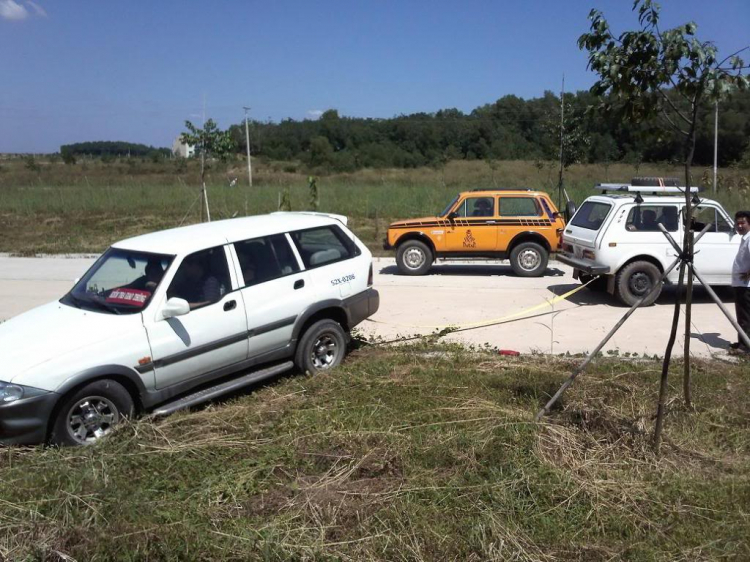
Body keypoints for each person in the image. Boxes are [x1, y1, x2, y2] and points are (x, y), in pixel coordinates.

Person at [730, 210, 750, 354]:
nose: (739, 226)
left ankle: (745, 347)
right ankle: (742, 341)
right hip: (740, 284)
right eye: (737, 223)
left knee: (745, 316)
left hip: (746, 286)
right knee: (742, 316)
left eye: (743, 223)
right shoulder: (744, 239)